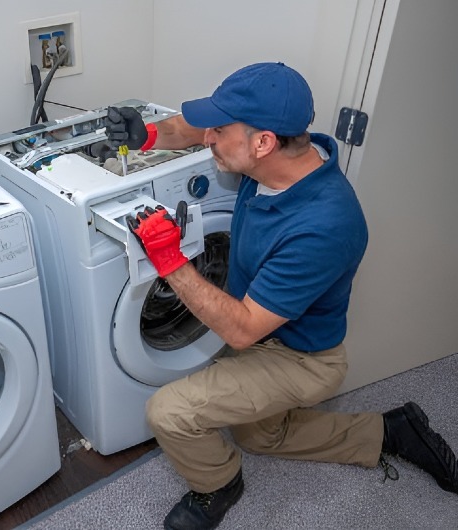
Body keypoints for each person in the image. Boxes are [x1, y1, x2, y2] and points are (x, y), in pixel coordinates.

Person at [104, 62, 458, 530]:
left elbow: (242, 329)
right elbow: (193, 128)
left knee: (168, 412)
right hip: (264, 328)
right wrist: (146, 134)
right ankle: (389, 431)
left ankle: (219, 485)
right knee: (261, 437)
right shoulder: (273, 156)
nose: (207, 137)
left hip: (300, 357)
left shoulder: (326, 225)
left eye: (219, 130)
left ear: (263, 142)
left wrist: (169, 260)